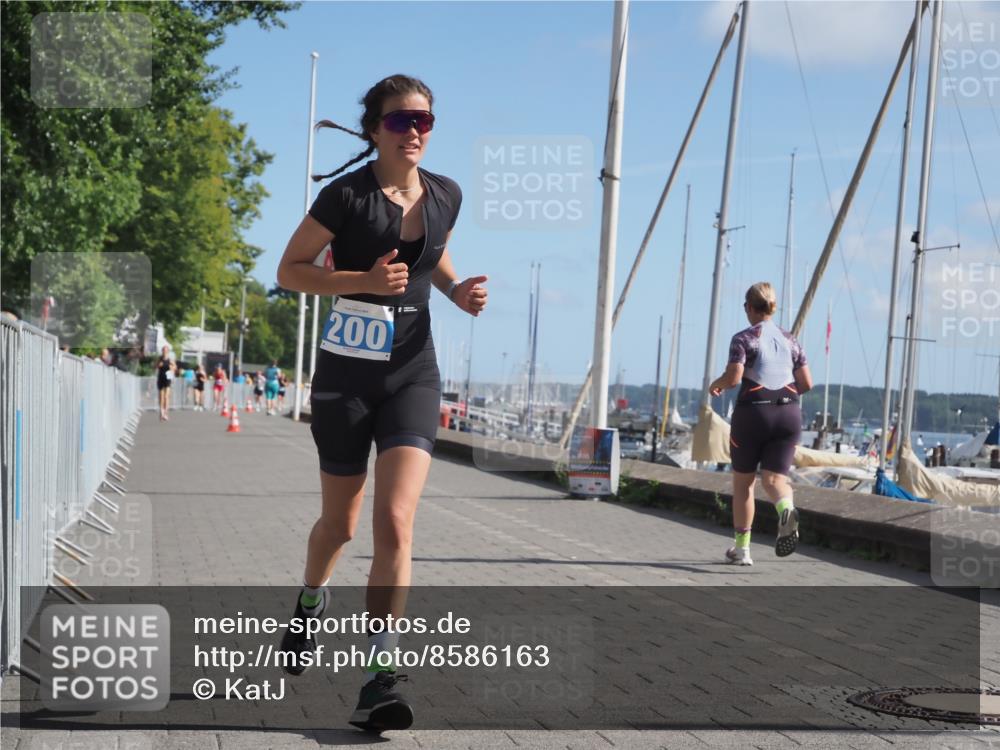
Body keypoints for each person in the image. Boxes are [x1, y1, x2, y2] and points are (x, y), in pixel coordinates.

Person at [275, 74, 487, 732]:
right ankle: (310, 602)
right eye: (401, 121)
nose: (415, 130)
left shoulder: (447, 193)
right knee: (339, 527)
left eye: (425, 118)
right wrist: (361, 280)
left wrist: (455, 292)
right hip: (345, 378)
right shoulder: (346, 195)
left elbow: (435, 256)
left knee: (395, 524)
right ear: (375, 131)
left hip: (412, 374)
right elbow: (290, 270)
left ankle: (378, 676)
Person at [709, 282, 812, 566]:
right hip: (789, 414)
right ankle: (787, 509)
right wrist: (783, 399)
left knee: (744, 483)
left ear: (750, 307)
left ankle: (742, 550)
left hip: (753, 414)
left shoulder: (744, 338)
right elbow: (806, 383)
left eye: (745, 306)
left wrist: (715, 385)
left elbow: (733, 378)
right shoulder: (791, 340)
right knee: (775, 480)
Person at [155, 346, 176, 421]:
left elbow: (175, 368)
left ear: (168, 351)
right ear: (162, 351)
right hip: (161, 378)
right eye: (163, 350)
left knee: (166, 396)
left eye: (166, 350)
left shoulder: (170, 360)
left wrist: (172, 367)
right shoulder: (159, 359)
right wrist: (158, 365)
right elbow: (155, 367)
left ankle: (166, 412)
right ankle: (161, 411)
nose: (165, 352)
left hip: (168, 377)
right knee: (161, 396)